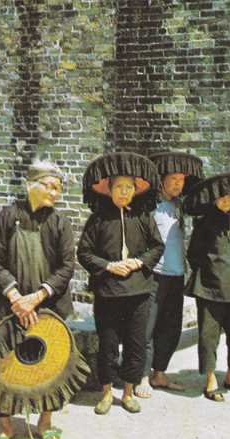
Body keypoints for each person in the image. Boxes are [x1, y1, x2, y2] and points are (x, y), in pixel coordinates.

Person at [0, 160, 86, 439]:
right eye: (50, 186)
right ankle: (5, 427)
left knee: (49, 369)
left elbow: (66, 267)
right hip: (8, 307)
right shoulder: (7, 216)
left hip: (47, 307)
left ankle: (45, 423)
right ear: (31, 185)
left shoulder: (59, 223)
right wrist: (16, 297)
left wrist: (37, 297)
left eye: (58, 188)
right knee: (4, 370)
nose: (56, 193)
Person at [77, 152, 164, 415]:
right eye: (119, 187)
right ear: (110, 190)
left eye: (129, 188)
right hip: (108, 292)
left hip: (139, 291)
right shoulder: (99, 219)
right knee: (108, 345)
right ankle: (105, 394)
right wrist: (108, 266)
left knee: (136, 345)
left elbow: (157, 246)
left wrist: (138, 263)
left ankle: (127, 392)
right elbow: (84, 252)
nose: (124, 192)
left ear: (136, 191)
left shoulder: (144, 217)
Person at [184, 170, 230, 402]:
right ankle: (210, 380)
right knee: (208, 336)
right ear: (214, 199)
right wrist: (210, 272)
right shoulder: (204, 223)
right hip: (209, 288)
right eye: (221, 196)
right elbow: (193, 254)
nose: (226, 200)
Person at [135, 151, 204, 399]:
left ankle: (160, 372)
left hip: (176, 274)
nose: (178, 184)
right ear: (161, 179)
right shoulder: (149, 207)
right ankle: (142, 375)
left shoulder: (179, 207)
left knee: (171, 327)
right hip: (154, 274)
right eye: (173, 179)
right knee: (148, 327)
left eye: (182, 180)